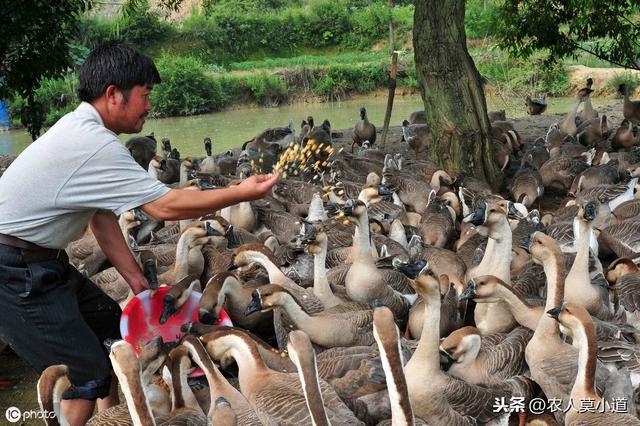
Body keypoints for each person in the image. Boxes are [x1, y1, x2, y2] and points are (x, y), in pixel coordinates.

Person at [0, 42, 279, 425]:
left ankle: (112, 418)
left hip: (39, 260)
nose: (149, 106)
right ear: (113, 94)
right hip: (14, 269)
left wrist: (137, 283)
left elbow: (100, 215)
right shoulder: (93, 143)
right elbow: (162, 207)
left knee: (109, 331)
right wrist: (242, 191)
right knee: (86, 374)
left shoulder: (78, 128)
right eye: (145, 95)